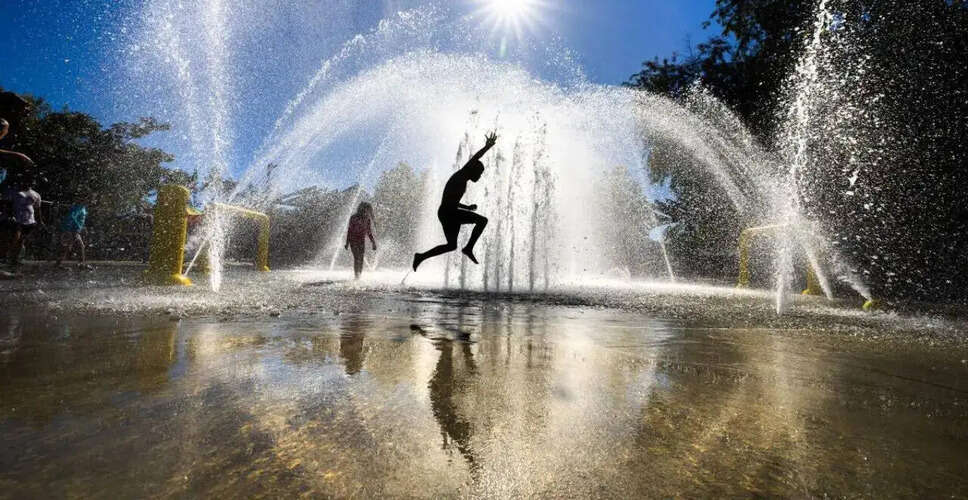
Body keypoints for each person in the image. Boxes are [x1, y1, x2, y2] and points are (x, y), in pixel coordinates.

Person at [412, 131, 497, 271]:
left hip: (447, 212)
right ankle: (469, 248)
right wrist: (487, 147)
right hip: (448, 213)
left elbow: (450, 201)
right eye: (479, 173)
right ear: (473, 170)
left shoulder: (462, 180)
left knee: (451, 245)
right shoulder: (462, 175)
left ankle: (420, 257)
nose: (480, 177)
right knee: (483, 221)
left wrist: (468, 208)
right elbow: (475, 158)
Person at [6, 175, 42, 267]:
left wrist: (40, 221)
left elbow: (37, 209)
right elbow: (9, 204)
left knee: (21, 241)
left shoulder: (36, 194)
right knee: (15, 238)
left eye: (31, 182)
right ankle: (7, 257)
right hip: (17, 220)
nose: (29, 184)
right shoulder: (16, 191)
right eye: (27, 182)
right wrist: (9, 215)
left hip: (30, 221)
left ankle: (15, 259)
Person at [345, 201, 376, 279]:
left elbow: (369, 232)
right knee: (356, 258)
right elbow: (350, 230)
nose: (367, 211)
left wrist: (373, 242)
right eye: (367, 209)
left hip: (361, 241)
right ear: (362, 208)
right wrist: (347, 243)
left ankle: (359, 276)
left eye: (368, 210)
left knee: (361, 258)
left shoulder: (367, 219)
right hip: (353, 240)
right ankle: (356, 276)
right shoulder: (353, 217)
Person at [56, 200, 88, 267]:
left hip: (75, 230)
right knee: (79, 246)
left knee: (69, 246)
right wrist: (76, 227)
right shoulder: (77, 208)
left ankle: (59, 264)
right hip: (72, 229)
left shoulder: (83, 208)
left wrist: (83, 227)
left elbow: (81, 219)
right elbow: (71, 217)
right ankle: (82, 264)